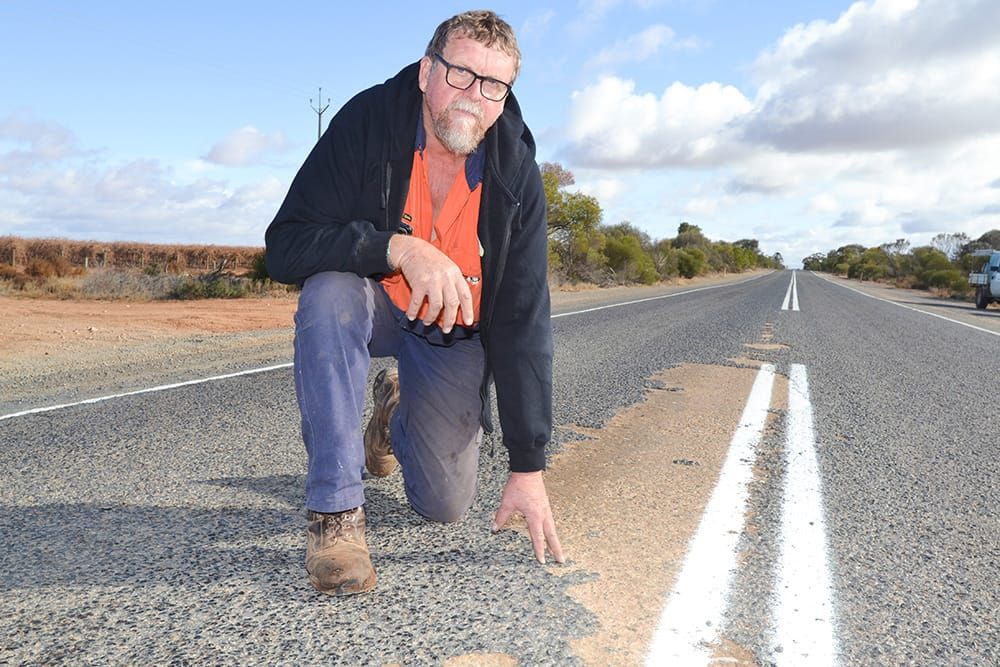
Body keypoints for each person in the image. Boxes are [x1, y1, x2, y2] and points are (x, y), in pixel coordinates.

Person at [264, 9, 563, 596]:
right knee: (328, 293)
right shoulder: (368, 122)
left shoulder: (515, 174)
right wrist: (395, 248)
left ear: (506, 97)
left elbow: (524, 319)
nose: (473, 97)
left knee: (444, 505)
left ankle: (392, 419)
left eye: (494, 85)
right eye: (458, 73)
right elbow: (286, 246)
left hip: (453, 333)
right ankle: (335, 513)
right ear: (428, 70)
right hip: (374, 305)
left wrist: (528, 467)